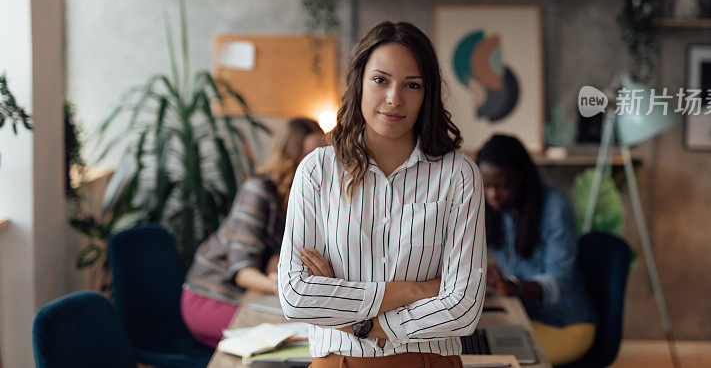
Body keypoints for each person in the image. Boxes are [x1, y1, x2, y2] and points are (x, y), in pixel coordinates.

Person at [278, 21, 487, 368]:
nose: (394, 98)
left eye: (412, 85)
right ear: (359, 82)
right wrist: (414, 290)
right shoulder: (316, 171)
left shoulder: (458, 175)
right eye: (380, 80)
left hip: (427, 363)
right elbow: (296, 297)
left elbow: (463, 309)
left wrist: (357, 318)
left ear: (427, 94)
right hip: (338, 362)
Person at [181, 117, 326, 347]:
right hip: (209, 295)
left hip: (247, 293)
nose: (320, 162)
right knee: (281, 335)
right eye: (311, 154)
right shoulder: (257, 192)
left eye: (323, 152)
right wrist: (282, 287)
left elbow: (276, 256)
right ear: (290, 157)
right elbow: (242, 271)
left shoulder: (300, 195)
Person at [476, 134, 596, 366]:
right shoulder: (501, 210)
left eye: (501, 185)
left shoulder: (554, 208)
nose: (492, 195)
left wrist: (515, 286)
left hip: (566, 324)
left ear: (520, 176)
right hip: (527, 317)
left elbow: (558, 282)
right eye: (486, 185)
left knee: (498, 361)